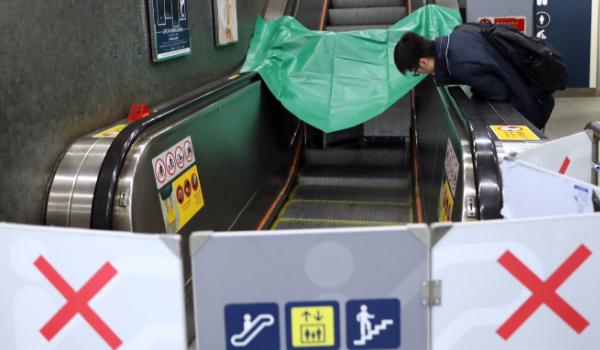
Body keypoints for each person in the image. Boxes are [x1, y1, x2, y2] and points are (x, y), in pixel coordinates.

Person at [393, 26, 555, 130]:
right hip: (530, 90)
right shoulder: (460, 31)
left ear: (423, 62)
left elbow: (499, 92)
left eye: (416, 71)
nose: (419, 74)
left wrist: (475, 90)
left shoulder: (458, 65)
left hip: (526, 108)